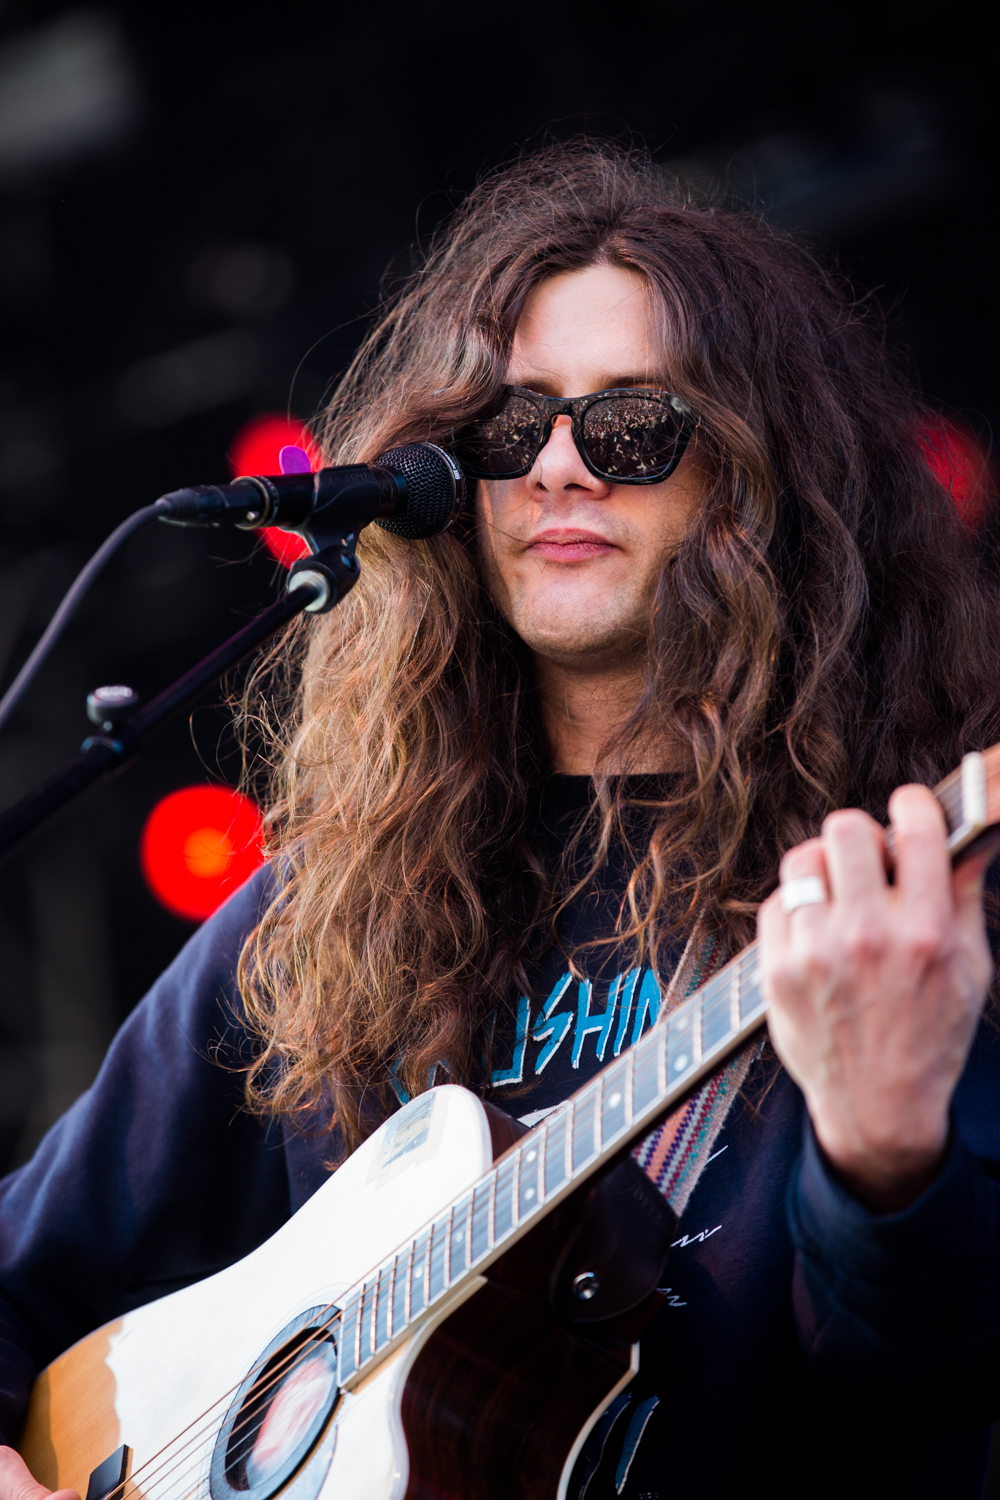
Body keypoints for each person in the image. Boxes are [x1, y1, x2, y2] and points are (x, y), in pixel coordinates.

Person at [2, 140, 1000, 1500]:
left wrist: (887, 1159)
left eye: (633, 425)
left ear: (761, 480)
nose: (561, 469)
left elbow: (933, 1382)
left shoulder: (903, 893)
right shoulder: (326, 912)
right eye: (512, 428)